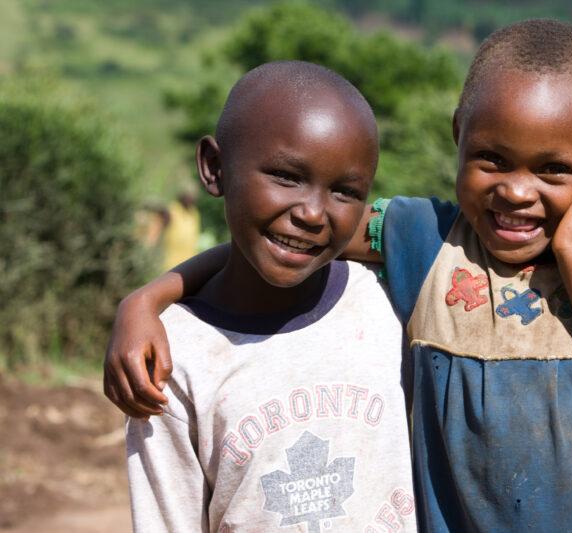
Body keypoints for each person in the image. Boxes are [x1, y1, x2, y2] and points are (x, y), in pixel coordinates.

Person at [105, 20, 572, 532]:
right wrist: (149, 299)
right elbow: (288, 237)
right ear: (460, 135)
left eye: (555, 170)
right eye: (493, 159)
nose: (516, 190)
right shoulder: (425, 240)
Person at [123, 60, 418, 532]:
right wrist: (142, 304)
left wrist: (141, 299)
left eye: (345, 191)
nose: (313, 212)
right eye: (285, 176)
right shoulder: (170, 359)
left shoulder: (392, 303)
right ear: (215, 168)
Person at [160, 187, 201, 271]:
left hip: (188, 262)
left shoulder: (194, 213)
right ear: (182, 197)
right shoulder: (172, 211)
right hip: (170, 262)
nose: (191, 200)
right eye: (188, 197)